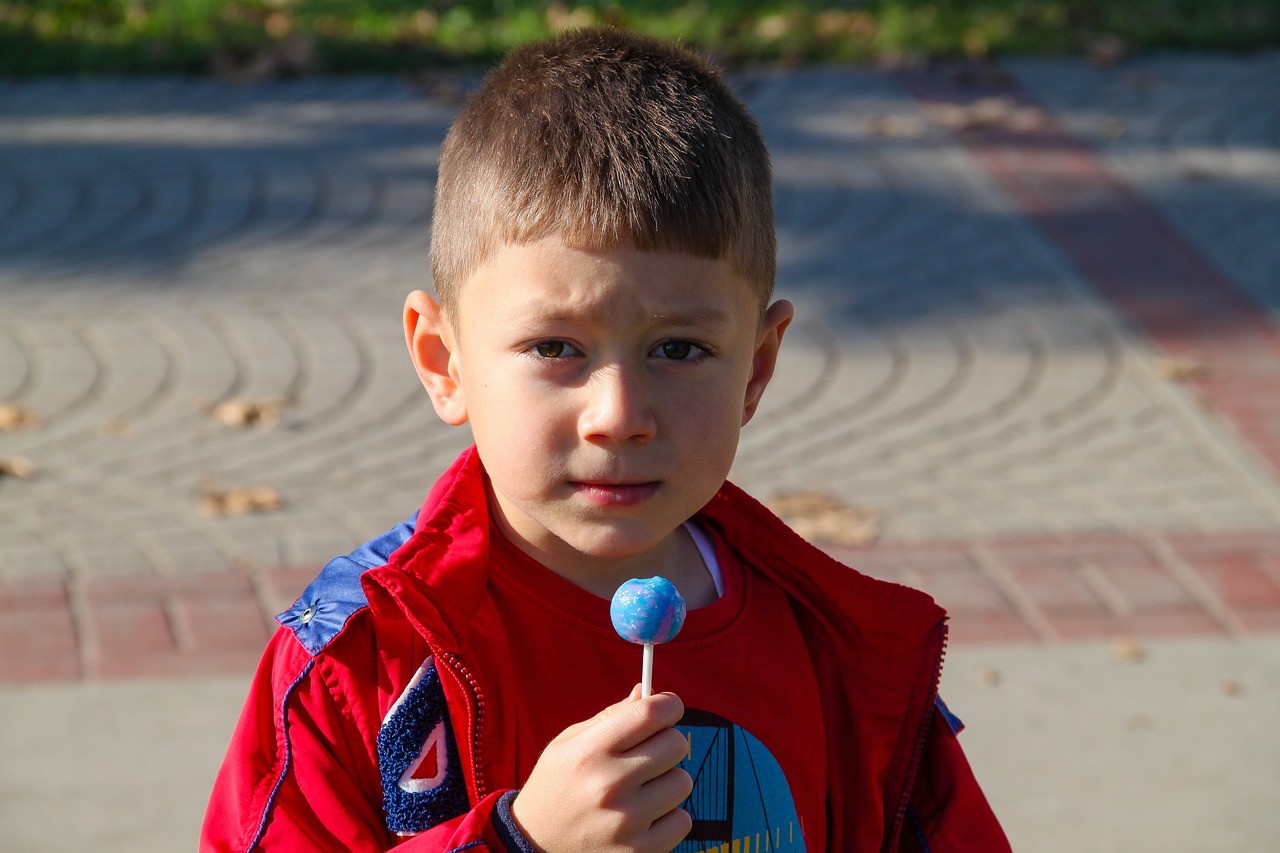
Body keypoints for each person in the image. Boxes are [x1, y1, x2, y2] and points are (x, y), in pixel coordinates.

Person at [202, 26, 1010, 853]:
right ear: (443, 362)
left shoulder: (839, 653)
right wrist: (520, 843)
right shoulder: (359, 665)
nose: (619, 413)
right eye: (557, 347)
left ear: (757, 368)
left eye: (680, 350)